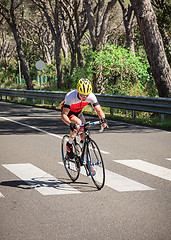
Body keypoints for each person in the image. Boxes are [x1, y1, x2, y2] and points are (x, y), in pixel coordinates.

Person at [61, 78, 108, 160]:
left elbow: (99, 110)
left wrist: (103, 119)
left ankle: (88, 162)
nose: (84, 97)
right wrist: (70, 124)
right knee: (78, 123)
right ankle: (69, 144)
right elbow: (64, 115)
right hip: (69, 112)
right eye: (82, 95)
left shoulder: (91, 96)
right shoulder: (70, 96)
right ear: (78, 91)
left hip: (79, 112)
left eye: (86, 95)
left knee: (85, 136)